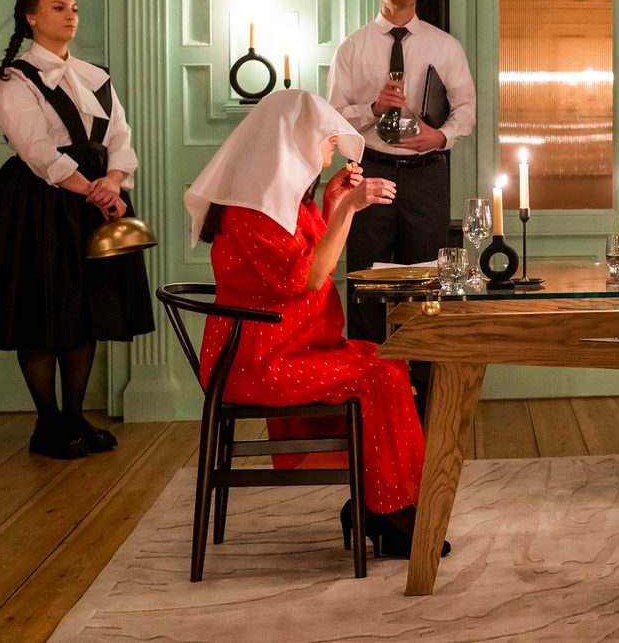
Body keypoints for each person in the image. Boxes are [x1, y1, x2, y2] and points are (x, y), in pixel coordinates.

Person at [185, 90, 443, 558]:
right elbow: (308, 277)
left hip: (286, 345)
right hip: (255, 360)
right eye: (326, 138)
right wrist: (348, 209)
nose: (332, 147)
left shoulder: (281, 201)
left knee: (387, 361)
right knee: (377, 373)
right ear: (295, 140)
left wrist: (332, 204)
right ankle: (387, 510)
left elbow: (311, 257)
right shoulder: (251, 210)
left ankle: (381, 503)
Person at [0, 0, 153, 460]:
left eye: (74, 8)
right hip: (39, 204)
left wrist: (114, 180)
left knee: (85, 310)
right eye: (58, 7)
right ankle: (47, 424)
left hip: (97, 201)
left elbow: (120, 137)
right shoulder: (13, 79)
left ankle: (74, 417)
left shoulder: (96, 76)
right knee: (40, 311)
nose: (70, 16)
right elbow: (36, 149)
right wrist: (92, 189)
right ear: (31, 18)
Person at [326, 0, 475, 355]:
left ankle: (424, 385)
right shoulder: (351, 47)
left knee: (428, 284)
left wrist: (439, 137)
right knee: (365, 283)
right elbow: (333, 118)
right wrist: (373, 108)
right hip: (370, 171)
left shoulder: (445, 47)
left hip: (426, 174)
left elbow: (466, 110)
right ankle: (368, 377)